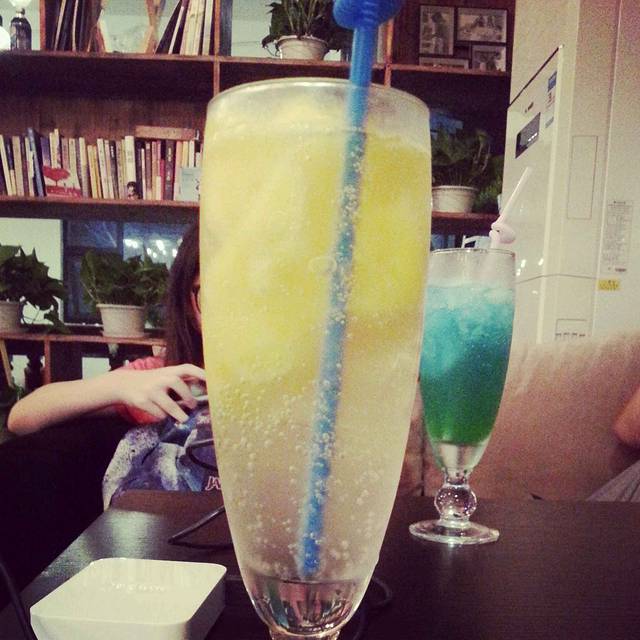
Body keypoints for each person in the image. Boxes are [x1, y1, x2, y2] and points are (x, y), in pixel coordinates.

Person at [7, 223, 216, 506]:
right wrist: (120, 384)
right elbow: (22, 417)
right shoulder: (167, 377)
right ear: (189, 305)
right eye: (214, 295)